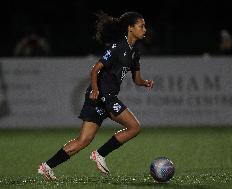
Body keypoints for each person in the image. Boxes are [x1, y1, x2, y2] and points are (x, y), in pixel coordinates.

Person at [38, 11, 154, 180]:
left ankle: (46, 167)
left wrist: (145, 83)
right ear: (130, 28)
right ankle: (100, 154)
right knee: (134, 127)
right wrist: (95, 89)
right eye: (141, 26)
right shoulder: (117, 47)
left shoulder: (135, 52)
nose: (145, 29)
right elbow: (95, 69)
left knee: (83, 140)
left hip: (103, 98)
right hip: (103, 96)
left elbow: (136, 79)